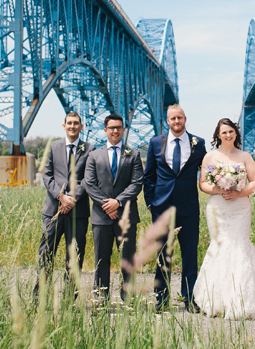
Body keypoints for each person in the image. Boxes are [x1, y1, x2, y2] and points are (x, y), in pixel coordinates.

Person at [193, 118, 255, 319]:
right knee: (219, 245)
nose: (228, 135)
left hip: (239, 208)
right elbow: (202, 183)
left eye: (231, 131)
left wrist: (239, 193)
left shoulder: (245, 155)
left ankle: (242, 298)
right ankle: (216, 299)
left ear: (236, 133)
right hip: (218, 207)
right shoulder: (210, 157)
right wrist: (219, 188)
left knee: (239, 245)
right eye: (224, 132)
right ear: (218, 135)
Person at [142, 104, 206, 311]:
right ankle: (161, 299)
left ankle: (189, 299)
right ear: (167, 121)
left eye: (179, 118)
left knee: (189, 254)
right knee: (162, 254)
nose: (176, 122)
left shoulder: (199, 143)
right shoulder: (155, 143)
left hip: (188, 208)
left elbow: (207, 171)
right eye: (172, 119)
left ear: (185, 119)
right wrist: (151, 202)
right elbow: (148, 176)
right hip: (162, 208)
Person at [82, 114, 143, 303]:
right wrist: (107, 205)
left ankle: (128, 297)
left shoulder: (133, 154)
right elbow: (89, 183)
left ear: (123, 130)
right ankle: (101, 297)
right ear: (105, 130)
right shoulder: (93, 155)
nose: (115, 131)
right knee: (102, 258)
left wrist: (118, 202)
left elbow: (137, 183)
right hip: (101, 217)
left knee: (127, 258)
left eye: (118, 127)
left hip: (126, 215)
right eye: (111, 128)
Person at [34, 111, 94, 297]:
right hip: (54, 210)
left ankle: (70, 299)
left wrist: (72, 198)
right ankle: (40, 297)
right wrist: (61, 197)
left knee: (74, 257)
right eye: (69, 123)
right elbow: (46, 175)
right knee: (46, 254)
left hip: (78, 211)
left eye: (76, 123)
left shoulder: (90, 149)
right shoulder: (54, 147)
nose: (72, 126)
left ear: (81, 127)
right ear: (64, 126)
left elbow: (88, 179)